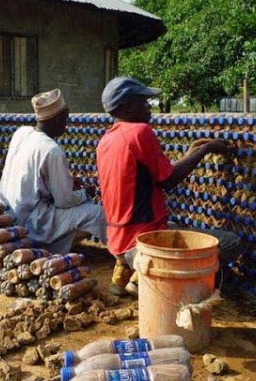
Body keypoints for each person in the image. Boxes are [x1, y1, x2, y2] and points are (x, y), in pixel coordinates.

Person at [96, 77, 242, 296]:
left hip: (116, 240)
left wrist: (190, 154)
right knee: (231, 243)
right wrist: (206, 150)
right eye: (143, 101)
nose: (149, 107)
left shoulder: (106, 140)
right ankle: (145, 278)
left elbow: (158, 173)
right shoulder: (139, 131)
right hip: (142, 242)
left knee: (172, 223)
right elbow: (169, 180)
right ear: (126, 105)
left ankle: (123, 272)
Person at [0, 88, 107, 254]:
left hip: (8, 216)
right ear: (56, 120)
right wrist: (86, 193)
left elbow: (32, 179)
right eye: (65, 118)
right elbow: (63, 200)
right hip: (32, 222)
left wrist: (68, 182)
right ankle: (123, 259)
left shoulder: (21, 133)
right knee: (97, 213)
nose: (67, 123)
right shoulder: (52, 150)